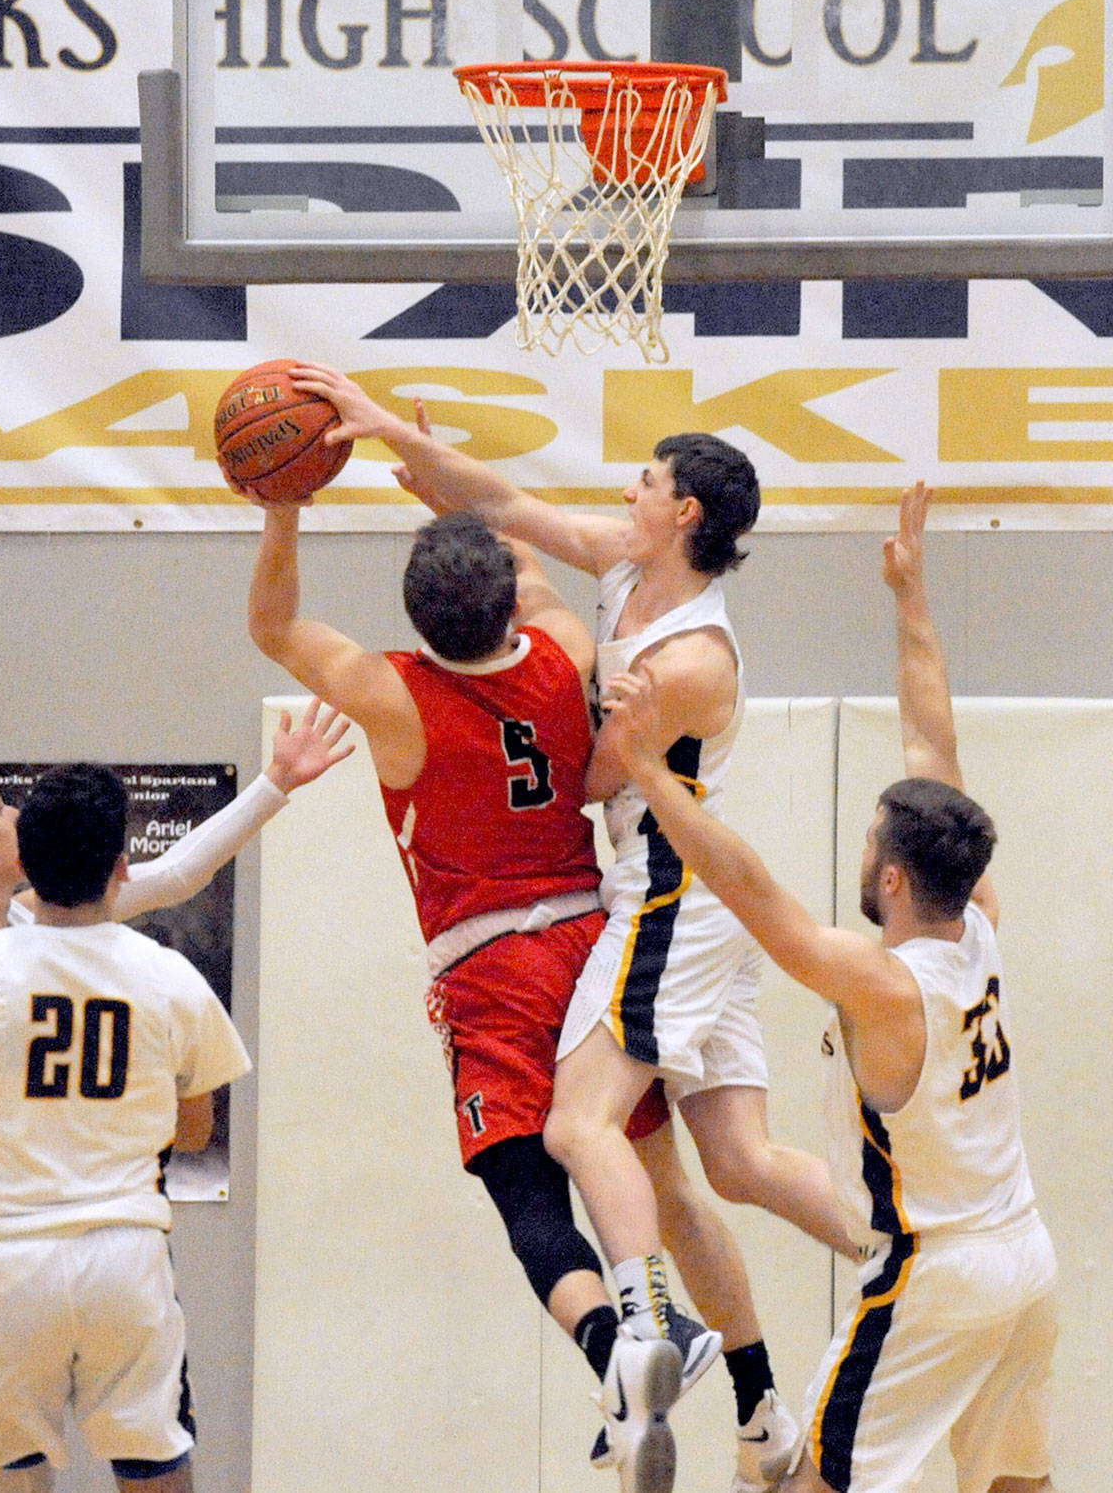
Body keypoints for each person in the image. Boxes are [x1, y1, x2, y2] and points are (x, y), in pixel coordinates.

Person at [277, 363, 851, 1489]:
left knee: (578, 1130)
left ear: (682, 511)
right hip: (680, 891)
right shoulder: (630, 562)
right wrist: (405, 442)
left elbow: (588, 779)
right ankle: (786, 1379)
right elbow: (505, 509)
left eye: (643, 481)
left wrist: (547, 682)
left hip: (665, 891)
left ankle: (644, 1335)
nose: (623, 492)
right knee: (723, 1167)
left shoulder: (686, 658)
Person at [599, 484, 1059, 1493]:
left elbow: (755, 895)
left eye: (867, 844)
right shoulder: (974, 917)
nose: (859, 848)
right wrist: (908, 598)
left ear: (890, 877)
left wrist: (650, 770)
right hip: (1023, 1254)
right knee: (1015, 1481)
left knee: (811, 1480)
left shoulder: (886, 983)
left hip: (932, 1273)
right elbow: (931, 742)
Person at [0, 704, 352, 1493]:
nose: (17, 813)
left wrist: (274, 784)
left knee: (15, 1460)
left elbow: (173, 876)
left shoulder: (31, 922)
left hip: (19, 1231)